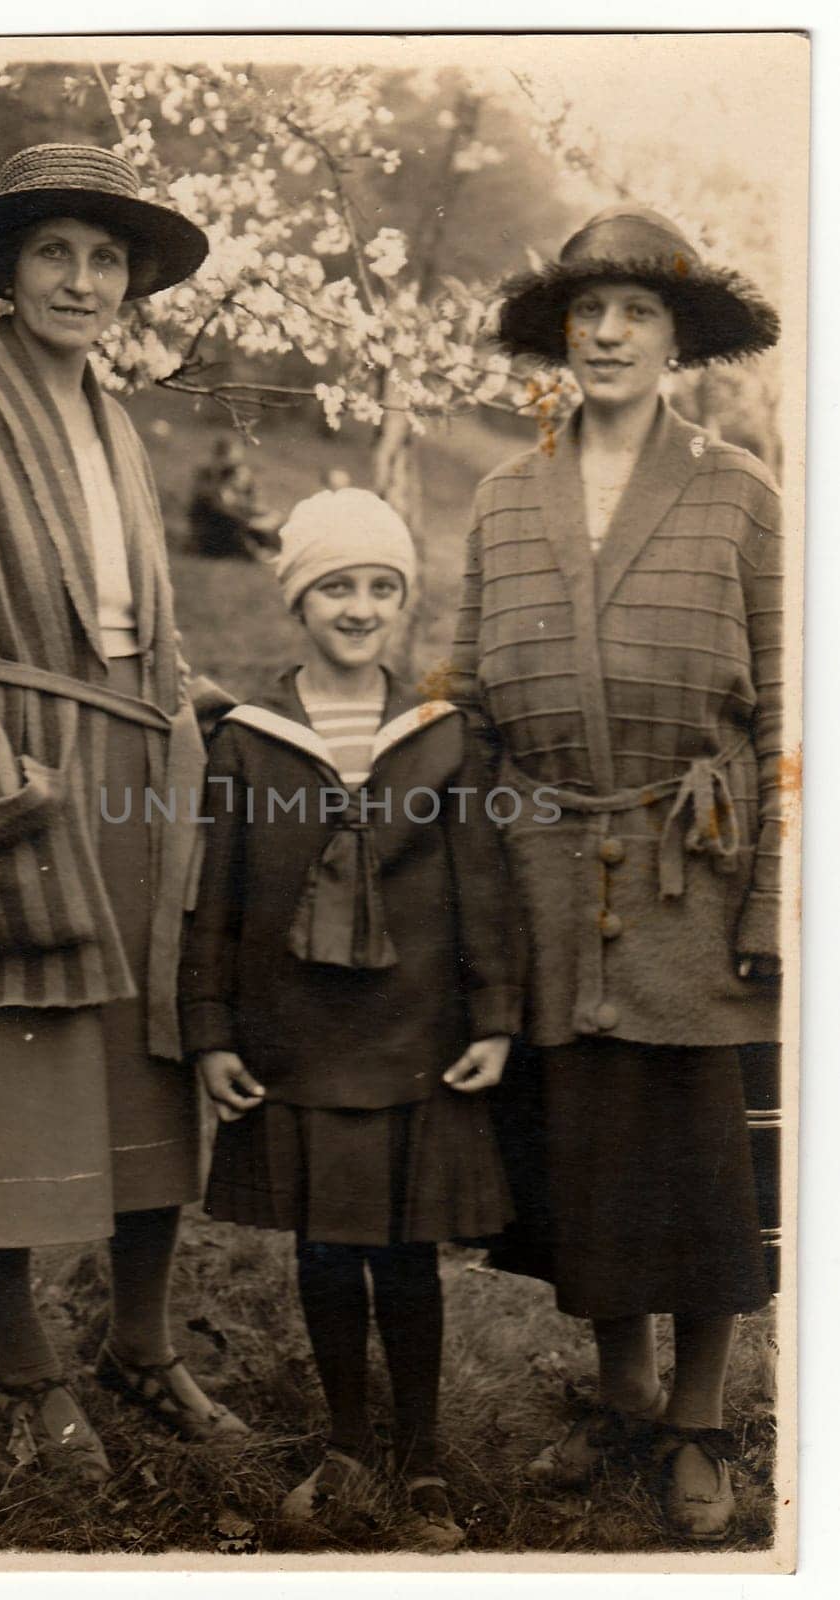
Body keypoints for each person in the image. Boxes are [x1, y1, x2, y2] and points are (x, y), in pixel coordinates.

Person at [0, 142, 245, 1482]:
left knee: (142, 1063)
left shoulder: (110, 415)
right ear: (8, 270)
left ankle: (141, 1349)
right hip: (13, 777)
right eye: (55, 253)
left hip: (132, 785)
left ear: (130, 282)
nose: (82, 280)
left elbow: (132, 630)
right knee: (5, 1069)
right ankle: (27, 1363)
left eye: (105, 258)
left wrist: (211, 713)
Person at [450, 205, 783, 1540]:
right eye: (586, 311)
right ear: (557, 334)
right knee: (583, 1158)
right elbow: (469, 704)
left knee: (697, 1164)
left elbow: (788, 719)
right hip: (541, 881)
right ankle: (621, 1394)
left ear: (675, 338)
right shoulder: (497, 497)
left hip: (689, 883)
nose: (605, 333)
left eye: (635, 312)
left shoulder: (741, 497)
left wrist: (770, 897)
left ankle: (698, 1425)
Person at [179, 489, 524, 1549]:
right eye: (336, 585)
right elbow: (218, 895)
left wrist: (494, 1016)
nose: (360, 606)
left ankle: (419, 1458)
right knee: (327, 1248)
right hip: (296, 1037)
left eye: (381, 586)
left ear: (404, 601)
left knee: (406, 1254)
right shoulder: (248, 739)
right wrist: (212, 1031)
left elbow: (482, 884)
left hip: (415, 1034)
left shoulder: (442, 735)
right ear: (298, 599)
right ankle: (346, 1442)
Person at [188, 434, 283, 559]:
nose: (234, 462)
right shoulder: (207, 475)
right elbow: (217, 505)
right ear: (219, 456)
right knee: (235, 524)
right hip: (215, 526)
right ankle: (254, 552)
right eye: (229, 457)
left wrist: (258, 513)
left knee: (273, 520)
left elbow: (256, 502)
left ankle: (270, 549)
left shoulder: (242, 474)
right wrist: (249, 520)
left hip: (239, 519)